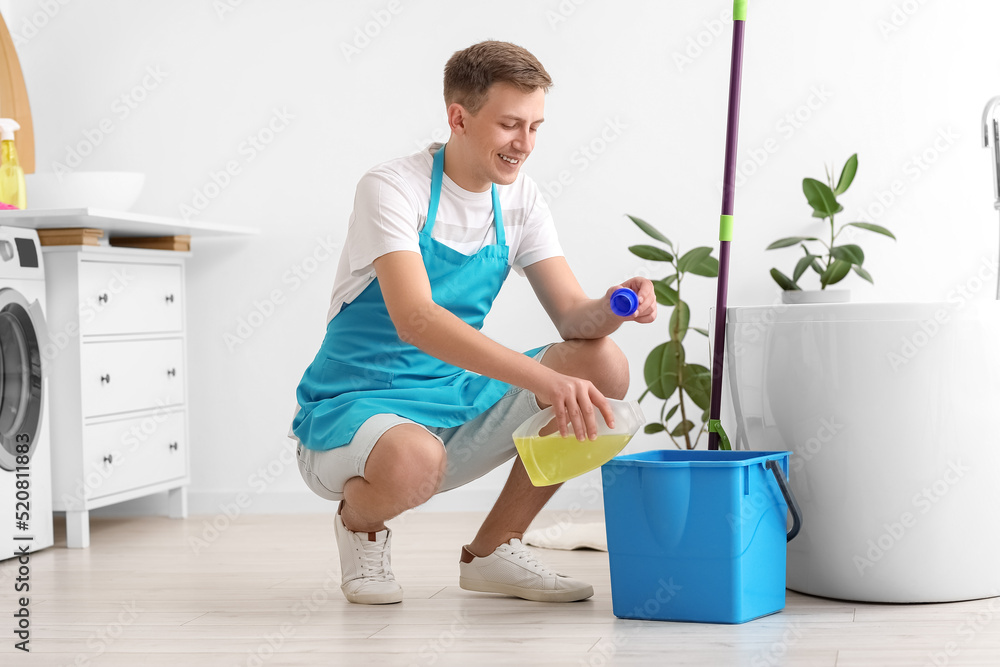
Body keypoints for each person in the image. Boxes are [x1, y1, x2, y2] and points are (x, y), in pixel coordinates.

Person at [289, 40, 657, 606]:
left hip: (454, 401)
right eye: (511, 125)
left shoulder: (521, 201)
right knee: (415, 458)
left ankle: (494, 549)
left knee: (600, 361)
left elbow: (572, 318)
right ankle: (360, 525)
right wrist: (543, 381)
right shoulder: (391, 188)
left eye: (536, 126)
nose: (525, 145)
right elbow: (416, 320)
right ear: (458, 118)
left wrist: (613, 306)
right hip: (355, 413)